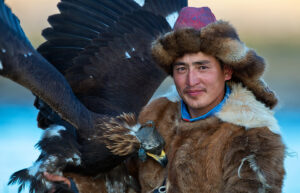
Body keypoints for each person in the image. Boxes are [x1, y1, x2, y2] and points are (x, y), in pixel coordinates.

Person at [46, 6, 285, 193]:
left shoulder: (253, 139)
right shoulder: (155, 116)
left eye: (202, 67)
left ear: (226, 71)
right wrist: (78, 188)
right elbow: (124, 185)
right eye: (182, 69)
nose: (192, 80)